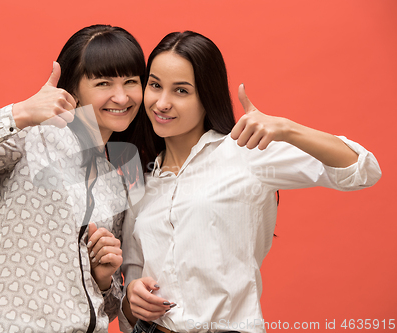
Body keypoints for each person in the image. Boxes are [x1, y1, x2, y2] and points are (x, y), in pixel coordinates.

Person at [119, 31, 381, 333]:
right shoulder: (139, 177)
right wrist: (133, 295)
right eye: (155, 85)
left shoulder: (245, 152)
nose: (161, 103)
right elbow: (133, 282)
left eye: (181, 91)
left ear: (207, 96)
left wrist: (285, 128)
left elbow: (363, 170)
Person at [0, 24, 145, 333]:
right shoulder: (30, 139)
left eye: (131, 81)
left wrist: (102, 278)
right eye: (103, 83)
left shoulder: (113, 180)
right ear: (72, 90)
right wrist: (18, 113)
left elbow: (108, 308)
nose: (121, 95)